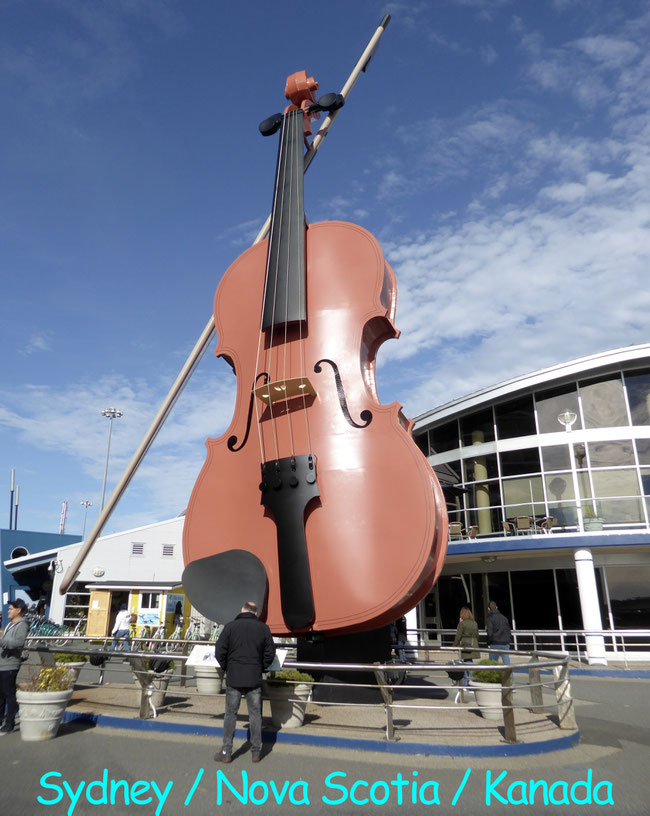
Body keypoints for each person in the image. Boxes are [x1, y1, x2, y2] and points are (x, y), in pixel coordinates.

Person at [215, 601, 276, 764]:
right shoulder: (263, 628)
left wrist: (227, 666)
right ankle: (256, 752)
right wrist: (261, 667)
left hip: (234, 676)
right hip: (254, 676)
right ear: (255, 613)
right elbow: (270, 653)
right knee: (255, 715)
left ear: (242, 610)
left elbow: (219, 650)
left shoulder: (230, 627)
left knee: (230, 714)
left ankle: (226, 751)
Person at [0, 598, 29, 735]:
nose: (8, 610)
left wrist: (1, 641)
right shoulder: (9, 625)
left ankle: (9, 724)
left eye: (11, 609)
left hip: (10, 665)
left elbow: (18, 643)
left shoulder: (22, 625)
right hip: (2, 664)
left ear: (19, 611)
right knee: (0, 695)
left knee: (9, 694)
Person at [452, 606, 479, 686]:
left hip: (465, 645)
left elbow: (458, 636)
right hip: (473, 644)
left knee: (467, 664)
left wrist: (454, 646)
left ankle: (469, 683)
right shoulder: (474, 623)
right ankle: (468, 682)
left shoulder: (462, 624)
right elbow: (477, 635)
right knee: (468, 662)